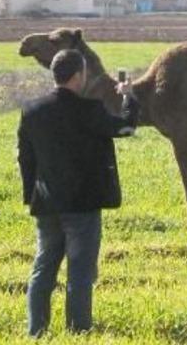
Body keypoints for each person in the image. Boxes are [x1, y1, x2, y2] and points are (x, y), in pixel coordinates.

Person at [17, 49, 139, 336]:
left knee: (43, 268)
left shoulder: (32, 110)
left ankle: (37, 332)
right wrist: (129, 98)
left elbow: (25, 158)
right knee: (80, 274)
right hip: (82, 206)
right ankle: (78, 332)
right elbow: (125, 128)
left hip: (46, 204)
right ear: (77, 76)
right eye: (83, 72)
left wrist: (30, 196)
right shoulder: (90, 110)